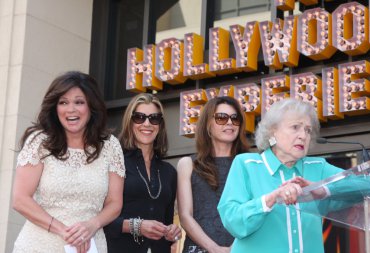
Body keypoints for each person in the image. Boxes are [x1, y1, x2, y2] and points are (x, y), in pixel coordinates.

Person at [12, 71, 125, 253]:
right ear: (55, 108)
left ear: (91, 106)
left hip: (90, 244)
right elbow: (20, 200)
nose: (71, 109)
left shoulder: (111, 146)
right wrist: (64, 231)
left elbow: (114, 203)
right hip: (39, 245)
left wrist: (91, 226)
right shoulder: (40, 141)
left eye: (79, 102)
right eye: (63, 102)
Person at [217, 98, 346, 253]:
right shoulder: (247, 164)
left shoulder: (318, 167)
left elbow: (366, 183)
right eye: (295, 127)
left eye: (308, 130)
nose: (303, 136)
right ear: (273, 131)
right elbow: (233, 222)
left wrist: (321, 190)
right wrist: (271, 198)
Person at [104, 93, 181, 253]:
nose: (147, 123)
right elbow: (98, 218)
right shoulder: (115, 163)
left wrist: (172, 231)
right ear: (130, 122)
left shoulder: (169, 172)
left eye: (154, 118)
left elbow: (166, 221)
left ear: (160, 125)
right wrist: (136, 226)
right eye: (139, 117)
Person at [177, 96, 249, 253]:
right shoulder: (187, 164)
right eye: (222, 118)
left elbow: (255, 214)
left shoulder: (249, 164)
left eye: (235, 118)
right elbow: (185, 216)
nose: (230, 122)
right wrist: (214, 249)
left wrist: (236, 248)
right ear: (208, 124)